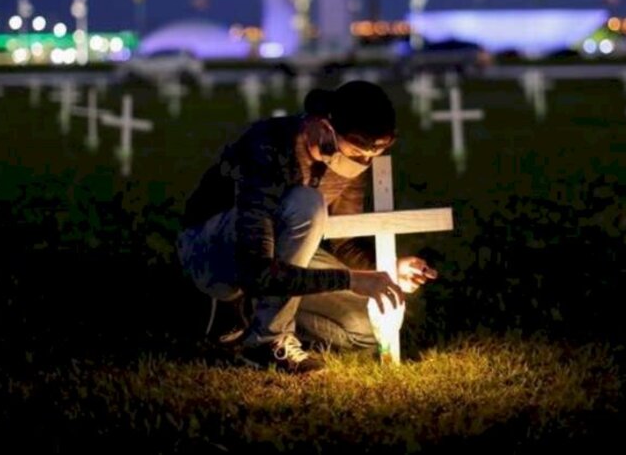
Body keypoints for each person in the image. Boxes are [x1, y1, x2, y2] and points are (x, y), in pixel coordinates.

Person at [177, 79, 438, 374]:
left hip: (281, 255)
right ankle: (264, 341)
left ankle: (255, 314)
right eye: (357, 152)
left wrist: (387, 269)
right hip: (217, 247)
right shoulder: (269, 146)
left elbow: (344, 242)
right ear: (325, 127)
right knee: (307, 202)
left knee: (364, 325)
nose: (363, 162)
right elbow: (256, 268)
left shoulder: (349, 161)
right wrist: (351, 281)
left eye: (372, 155)